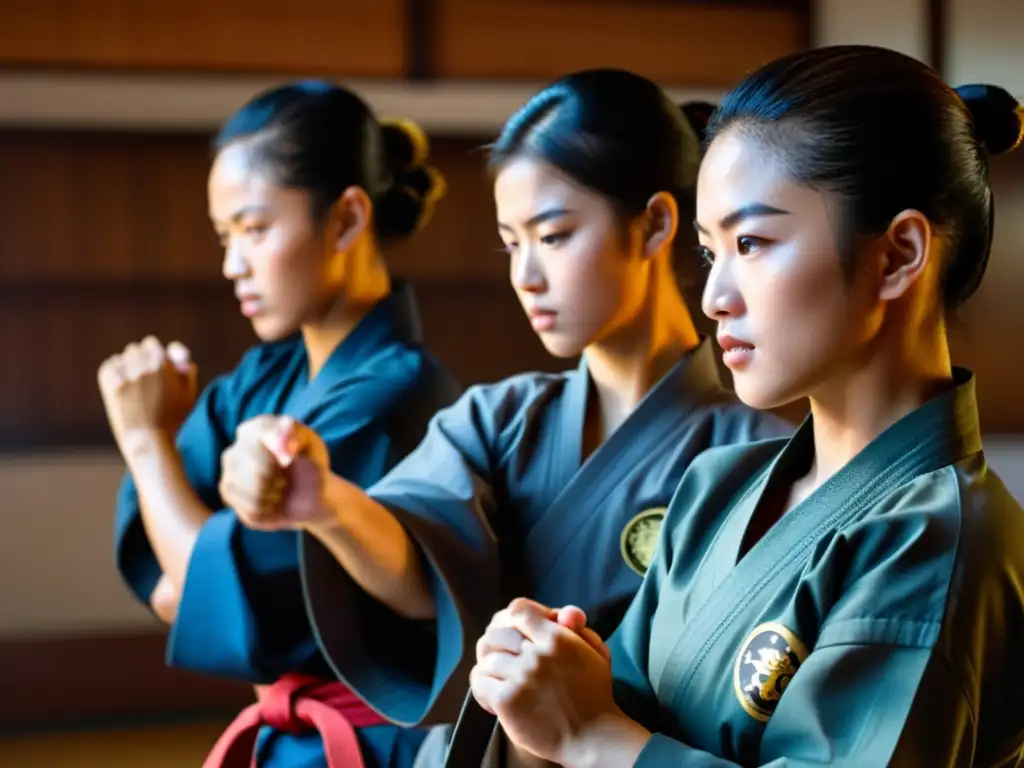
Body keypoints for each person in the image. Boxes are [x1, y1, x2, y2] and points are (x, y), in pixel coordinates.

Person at [215, 68, 794, 765]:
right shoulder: (498, 417)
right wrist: (327, 504)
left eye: (552, 236)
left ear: (654, 225)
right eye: (510, 243)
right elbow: (419, 567)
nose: (525, 275)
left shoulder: (761, 452)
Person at [468, 45, 1024, 767]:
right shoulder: (717, 487)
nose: (713, 298)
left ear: (898, 256)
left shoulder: (944, 540)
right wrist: (535, 695)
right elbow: (613, 711)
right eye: (710, 252)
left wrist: (588, 735)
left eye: (753, 242)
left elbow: (606, 733)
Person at [98, 80, 460, 768]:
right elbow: (170, 583)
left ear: (347, 218)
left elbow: (206, 590)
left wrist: (147, 444)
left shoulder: (394, 394)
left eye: (255, 229)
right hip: (284, 738)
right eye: (225, 236)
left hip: (372, 746)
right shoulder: (266, 375)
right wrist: (191, 561)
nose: (233, 265)